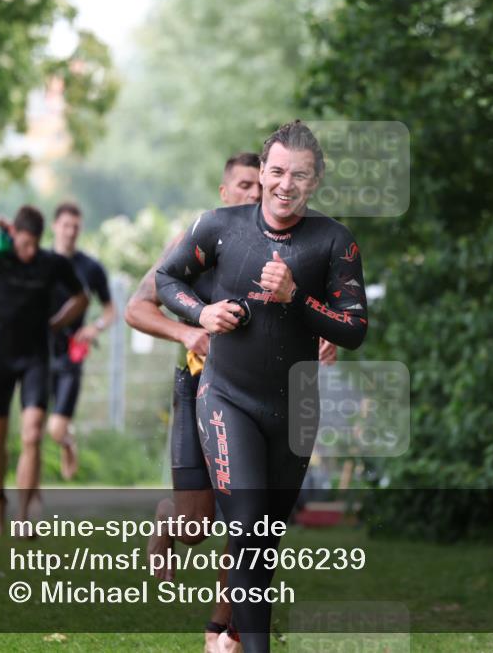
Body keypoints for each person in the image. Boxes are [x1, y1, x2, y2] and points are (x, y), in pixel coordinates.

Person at [155, 121, 368, 652]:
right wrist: (202, 314)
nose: (284, 185)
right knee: (248, 530)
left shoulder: (333, 242)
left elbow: (354, 328)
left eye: (299, 175)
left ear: (314, 181)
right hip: (227, 397)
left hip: (293, 410)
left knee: (264, 542)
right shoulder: (218, 226)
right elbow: (165, 280)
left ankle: (228, 637)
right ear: (263, 171)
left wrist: (296, 297)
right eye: (276, 171)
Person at [126, 152, 262, 652]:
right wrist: (187, 332)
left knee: (248, 513)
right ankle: (168, 519)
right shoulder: (197, 240)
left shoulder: (282, 247)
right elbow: (137, 307)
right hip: (199, 389)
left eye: (260, 185)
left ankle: (221, 633)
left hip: (255, 399)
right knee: (195, 526)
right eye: (244, 185)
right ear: (225, 193)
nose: (254, 194)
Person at [0, 206, 87, 534]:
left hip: (35, 359)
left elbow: (81, 298)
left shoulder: (51, 264)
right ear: (14, 235)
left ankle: (22, 517)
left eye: (34, 245)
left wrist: (57, 323)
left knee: (32, 434)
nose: (29, 252)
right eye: (24, 244)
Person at [47, 202, 115, 480]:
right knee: (35, 426)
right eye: (65, 225)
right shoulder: (41, 262)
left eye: (75, 227)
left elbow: (111, 311)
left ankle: (67, 442)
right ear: (55, 227)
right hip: (38, 352)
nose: (70, 231)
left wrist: (94, 328)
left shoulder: (91, 268)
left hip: (71, 353)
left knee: (56, 430)